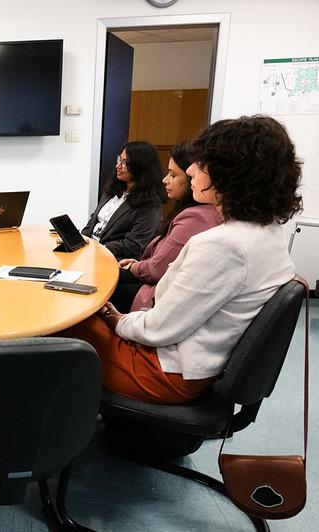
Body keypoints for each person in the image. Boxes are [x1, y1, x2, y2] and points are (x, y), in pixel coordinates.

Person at [64, 115, 301, 405]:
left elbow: (158, 329)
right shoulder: (270, 234)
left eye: (200, 164)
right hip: (195, 364)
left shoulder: (223, 245)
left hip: (162, 373)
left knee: (59, 327)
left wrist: (116, 319)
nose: (189, 170)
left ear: (229, 174)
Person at [109, 142, 223, 313]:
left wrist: (135, 266)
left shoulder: (196, 217)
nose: (165, 180)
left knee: (102, 285)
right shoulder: (112, 190)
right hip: (151, 278)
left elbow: (156, 269)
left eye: (173, 175)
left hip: (155, 296)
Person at [81, 141, 167, 260]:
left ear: (140, 166)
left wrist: (97, 248)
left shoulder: (150, 205)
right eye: (119, 160)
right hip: (91, 251)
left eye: (125, 162)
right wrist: (80, 240)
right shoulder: (111, 191)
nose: (118, 166)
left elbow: (133, 245)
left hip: (114, 259)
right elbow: (92, 222)